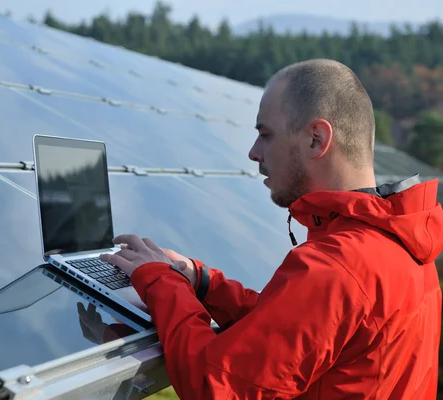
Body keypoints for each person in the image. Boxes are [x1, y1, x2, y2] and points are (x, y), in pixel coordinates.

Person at [100, 59, 443, 399]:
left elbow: (214, 387)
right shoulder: (403, 246)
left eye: (265, 134)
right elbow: (291, 337)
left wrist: (161, 281)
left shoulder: (337, 268)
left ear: (316, 139)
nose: (253, 152)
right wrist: (202, 282)